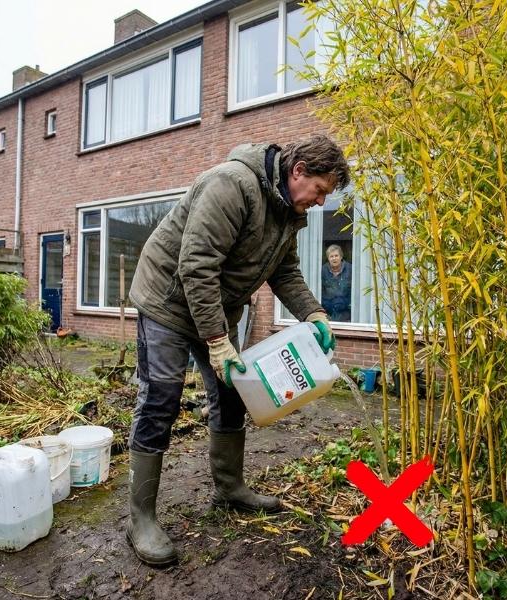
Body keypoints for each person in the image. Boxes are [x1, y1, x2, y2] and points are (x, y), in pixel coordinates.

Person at [125, 135, 350, 566]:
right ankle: (140, 519)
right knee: (160, 399)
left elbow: (285, 272)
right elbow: (196, 265)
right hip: (168, 300)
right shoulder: (232, 185)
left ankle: (229, 488)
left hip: (215, 305)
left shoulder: (287, 211)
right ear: (298, 171)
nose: (321, 201)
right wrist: (217, 342)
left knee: (232, 392)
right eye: (320, 190)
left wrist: (314, 313)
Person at [321, 244, 352, 322]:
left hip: (346, 311)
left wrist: (345, 302)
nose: (334, 258)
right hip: (328, 310)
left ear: (341, 257)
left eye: (336, 256)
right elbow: (320, 290)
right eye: (331, 256)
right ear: (328, 258)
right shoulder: (323, 270)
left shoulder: (350, 269)